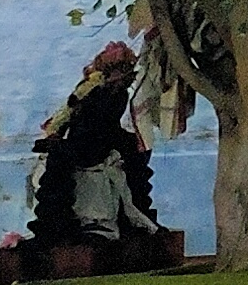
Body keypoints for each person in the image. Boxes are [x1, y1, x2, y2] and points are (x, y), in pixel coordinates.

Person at [27, 42, 169, 272]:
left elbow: (107, 124)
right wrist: (57, 134)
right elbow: (74, 114)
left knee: (136, 162)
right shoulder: (94, 90)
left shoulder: (115, 94)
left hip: (99, 140)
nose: (127, 78)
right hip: (86, 141)